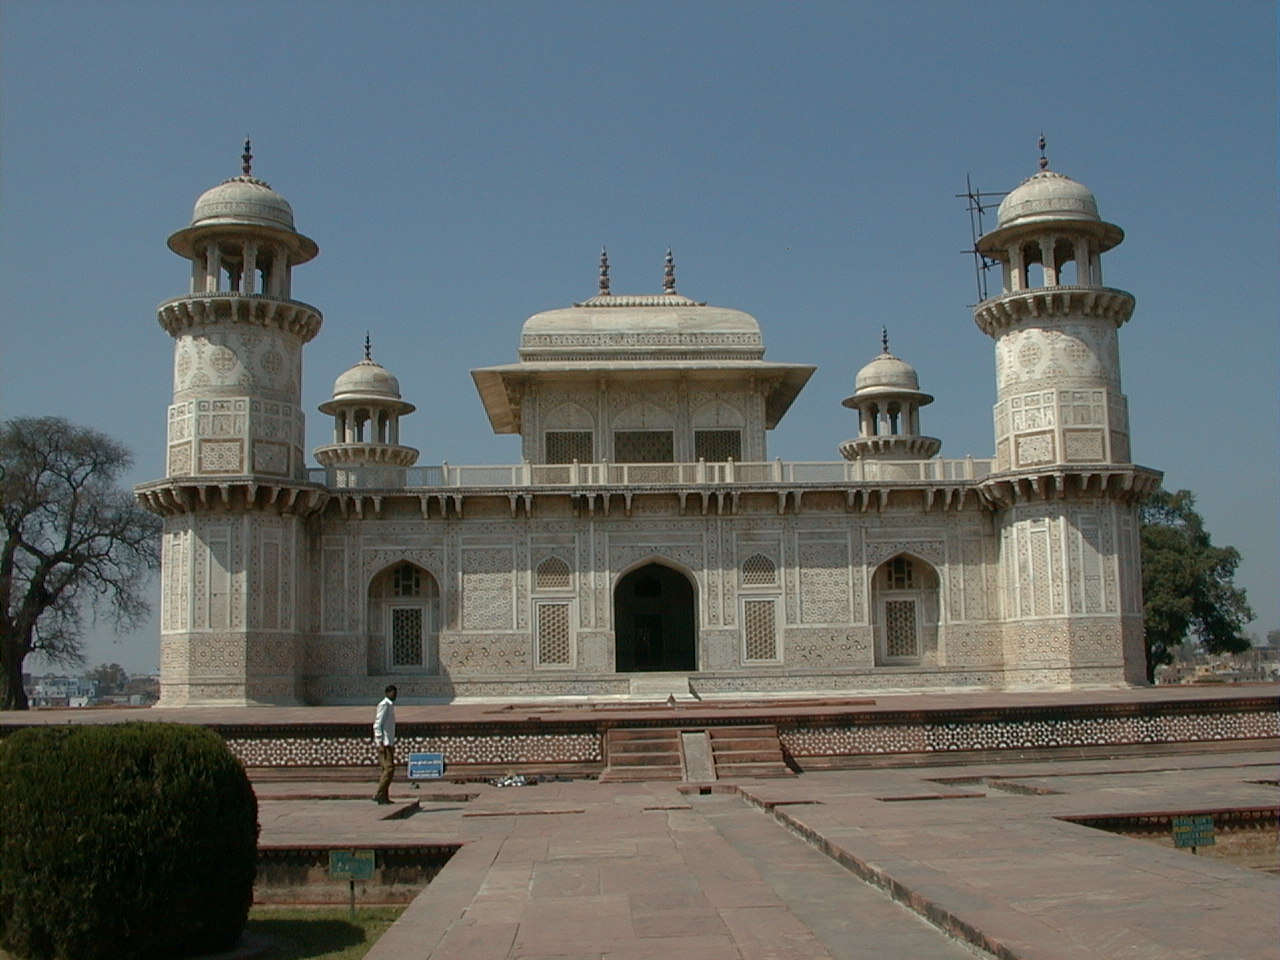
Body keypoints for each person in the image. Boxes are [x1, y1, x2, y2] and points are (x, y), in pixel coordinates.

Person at [372, 684, 398, 804]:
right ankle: (379, 793)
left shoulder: (390, 705)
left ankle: (384, 797)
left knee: (386, 770)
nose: (395, 695)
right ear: (388, 693)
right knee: (389, 769)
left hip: (389, 743)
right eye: (393, 693)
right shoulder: (384, 705)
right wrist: (380, 742)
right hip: (385, 743)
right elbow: (378, 725)